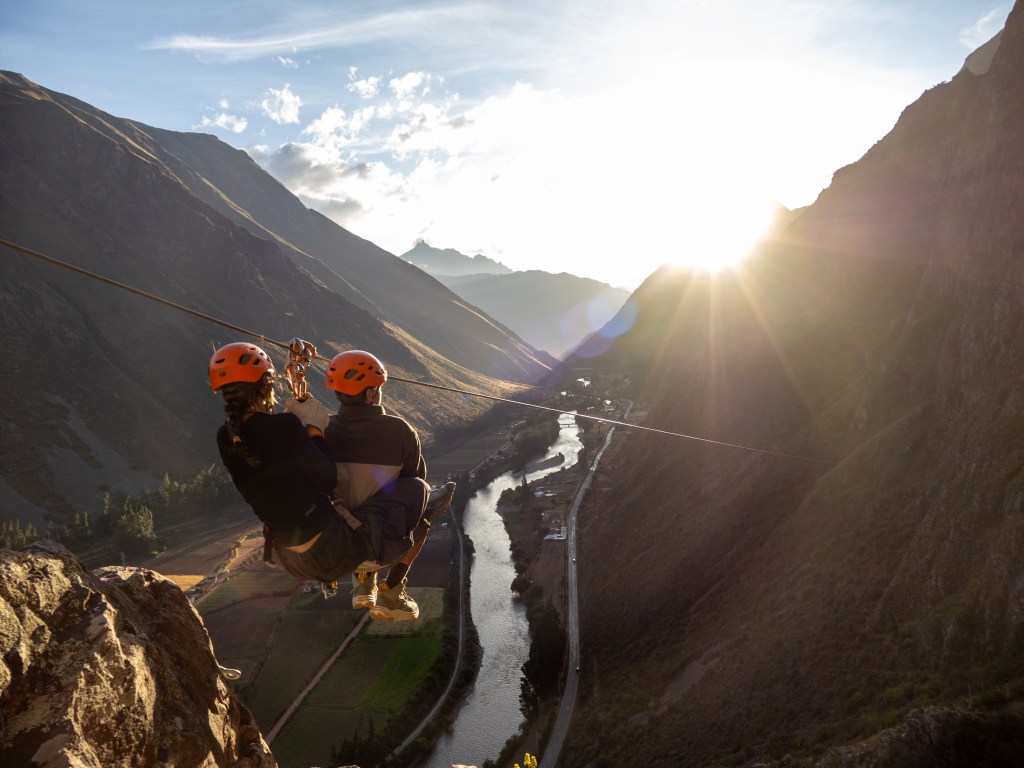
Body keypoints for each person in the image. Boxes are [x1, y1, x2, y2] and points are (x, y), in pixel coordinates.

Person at [313, 349, 454, 622]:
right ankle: (392, 591)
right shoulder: (399, 431)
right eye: (377, 389)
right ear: (368, 395)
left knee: (354, 503)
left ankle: (363, 583)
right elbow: (415, 485)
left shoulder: (322, 431)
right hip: (381, 549)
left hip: (335, 547)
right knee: (420, 513)